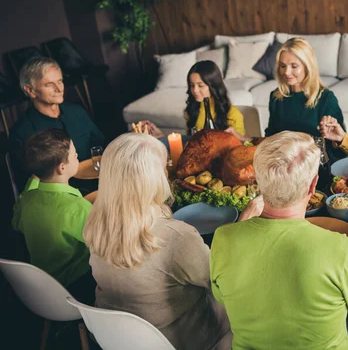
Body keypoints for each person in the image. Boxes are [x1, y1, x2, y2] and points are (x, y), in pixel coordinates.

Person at [210, 131, 348, 349]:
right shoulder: (338, 247)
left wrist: (240, 227)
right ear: (313, 185)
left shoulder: (223, 238)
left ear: (258, 181)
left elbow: (221, 296)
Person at [83, 133, 231, 350]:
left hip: (115, 340)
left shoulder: (96, 225)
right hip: (177, 341)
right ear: (153, 179)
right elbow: (221, 283)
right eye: (163, 169)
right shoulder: (177, 237)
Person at [12, 129, 95, 304]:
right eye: (74, 154)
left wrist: (34, 179)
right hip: (76, 287)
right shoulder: (77, 208)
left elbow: (16, 224)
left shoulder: (27, 199)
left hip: (42, 287)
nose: (78, 155)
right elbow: (104, 247)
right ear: (62, 167)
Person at [230, 37, 346, 163]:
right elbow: (271, 140)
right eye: (282, 66)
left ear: (308, 67)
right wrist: (241, 138)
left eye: (294, 66)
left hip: (316, 168)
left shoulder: (326, 99)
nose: (286, 72)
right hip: (283, 166)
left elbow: (340, 151)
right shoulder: (276, 97)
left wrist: (336, 140)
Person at [9, 57, 105, 190]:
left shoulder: (77, 112)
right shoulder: (21, 132)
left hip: (99, 185)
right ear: (30, 91)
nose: (59, 89)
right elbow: (27, 186)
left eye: (60, 81)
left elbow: (102, 146)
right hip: (60, 200)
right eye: (49, 84)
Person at [142, 60, 245, 140]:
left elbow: (241, 148)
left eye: (200, 85)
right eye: (192, 85)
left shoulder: (233, 115)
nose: (194, 90)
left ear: (213, 86)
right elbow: (190, 143)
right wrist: (161, 136)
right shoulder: (192, 110)